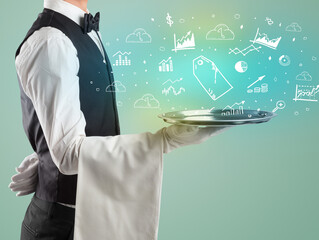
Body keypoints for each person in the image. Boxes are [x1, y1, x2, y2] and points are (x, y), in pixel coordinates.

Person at [10, 0, 231, 239]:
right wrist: (165, 141)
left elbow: (72, 126)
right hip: (63, 226)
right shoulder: (51, 41)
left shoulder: (77, 29)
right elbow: (68, 154)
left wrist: (44, 157)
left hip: (89, 213)